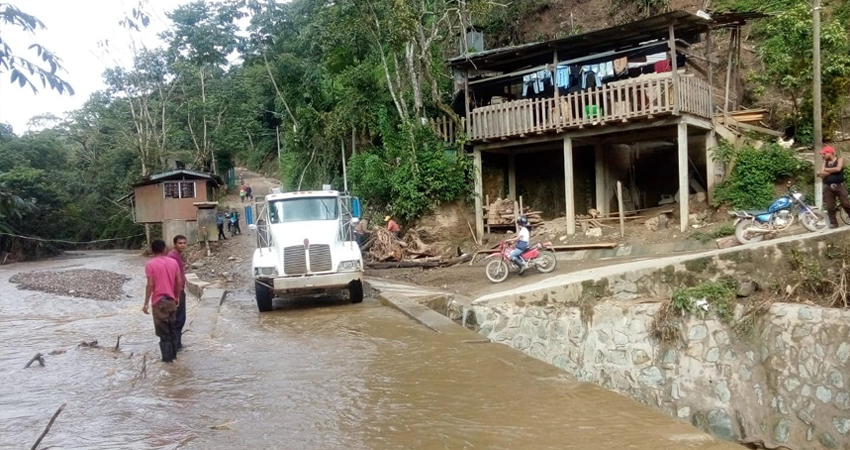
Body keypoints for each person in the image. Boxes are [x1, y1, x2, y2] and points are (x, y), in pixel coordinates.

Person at [143, 239, 183, 363]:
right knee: (172, 331)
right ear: (164, 249)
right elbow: (179, 282)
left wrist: (145, 304)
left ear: (152, 250)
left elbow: (150, 285)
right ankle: (175, 359)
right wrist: (177, 297)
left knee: (163, 334)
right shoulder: (173, 262)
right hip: (171, 301)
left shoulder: (150, 265)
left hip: (159, 302)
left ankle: (168, 363)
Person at [818, 146, 850, 228]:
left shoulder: (840, 160)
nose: (823, 155)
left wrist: (826, 170)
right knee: (830, 206)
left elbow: (838, 169)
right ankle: (834, 223)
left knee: (846, 204)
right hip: (828, 187)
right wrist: (831, 170)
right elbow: (821, 174)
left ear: (830, 153)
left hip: (839, 186)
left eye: (824, 154)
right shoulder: (824, 163)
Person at [167, 235, 188, 351]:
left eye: (184, 243)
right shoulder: (172, 257)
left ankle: (177, 344)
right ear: (175, 244)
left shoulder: (177, 256)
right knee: (178, 319)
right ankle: (175, 346)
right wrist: (176, 294)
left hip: (179, 290)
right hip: (176, 291)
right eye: (180, 243)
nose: (183, 245)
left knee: (180, 318)